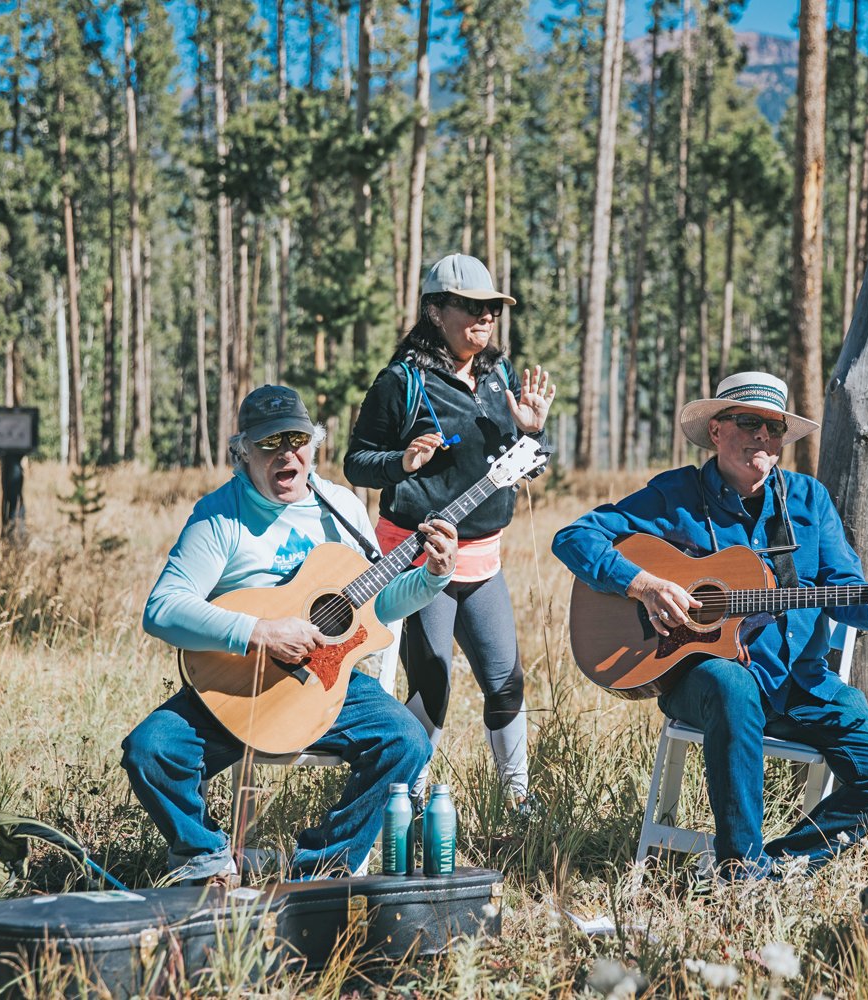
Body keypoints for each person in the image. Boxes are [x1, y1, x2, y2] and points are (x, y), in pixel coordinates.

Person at [551, 371, 868, 879]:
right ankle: (739, 873)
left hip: (800, 685)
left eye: (775, 428)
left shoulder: (808, 501)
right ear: (717, 430)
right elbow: (575, 537)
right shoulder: (676, 495)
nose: (764, 438)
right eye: (750, 423)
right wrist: (643, 585)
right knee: (732, 683)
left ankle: (776, 866)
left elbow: (845, 587)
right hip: (702, 682)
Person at [122, 384, 458, 885]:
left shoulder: (338, 505)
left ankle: (321, 867)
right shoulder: (219, 516)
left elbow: (375, 607)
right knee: (151, 749)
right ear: (243, 453)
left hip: (326, 682)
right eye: (269, 443)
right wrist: (259, 631)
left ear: (313, 445)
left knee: (407, 741)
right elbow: (162, 609)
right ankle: (209, 858)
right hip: (242, 684)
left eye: (297, 439)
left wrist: (433, 576)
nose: (287, 454)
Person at [345, 253, 556, 807]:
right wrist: (402, 464)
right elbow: (355, 463)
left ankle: (518, 804)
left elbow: (523, 462)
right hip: (416, 558)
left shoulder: (500, 375)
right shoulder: (402, 381)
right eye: (472, 307)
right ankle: (405, 806)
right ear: (436, 312)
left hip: (485, 559)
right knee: (432, 687)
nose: (485, 318)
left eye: (492, 308)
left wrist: (534, 434)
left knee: (506, 683)